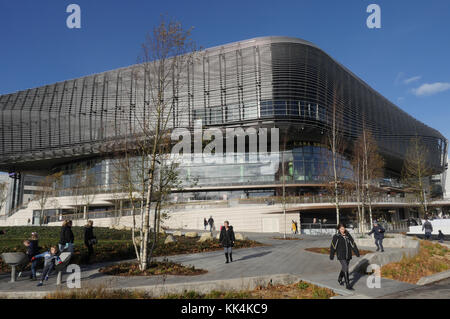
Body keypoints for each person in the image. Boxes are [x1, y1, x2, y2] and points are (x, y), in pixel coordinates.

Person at [330, 224, 360, 290]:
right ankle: (348, 284)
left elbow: (353, 244)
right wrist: (332, 255)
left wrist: (356, 252)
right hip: (341, 255)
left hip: (348, 254)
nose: (343, 230)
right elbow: (333, 246)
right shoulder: (336, 236)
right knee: (345, 267)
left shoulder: (348, 236)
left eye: (343, 229)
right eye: (341, 229)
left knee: (344, 267)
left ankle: (340, 278)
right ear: (339, 229)